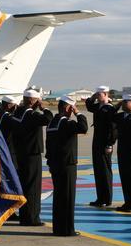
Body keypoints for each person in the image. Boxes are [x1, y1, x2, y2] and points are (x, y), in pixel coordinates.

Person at [46, 96, 88, 236]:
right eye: (72, 108)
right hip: (67, 164)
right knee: (68, 197)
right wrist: (79, 113)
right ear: (68, 108)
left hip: (55, 163)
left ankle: (58, 228)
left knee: (58, 197)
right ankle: (67, 229)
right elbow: (83, 128)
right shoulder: (66, 123)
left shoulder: (52, 122)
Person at [12, 89, 53, 226]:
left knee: (24, 185)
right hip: (32, 154)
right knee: (33, 187)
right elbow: (48, 119)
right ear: (32, 101)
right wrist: (44, 108)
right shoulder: (30, 114)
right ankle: (32, 218)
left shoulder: (18, 112)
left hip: (20, 152)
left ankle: (24, 215)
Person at [85, 86, 117, 208]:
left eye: (100, 94)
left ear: (106, 94)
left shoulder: (110, 108)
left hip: (105, 143)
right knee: (98, 170)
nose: (98, 97)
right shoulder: (99, 106)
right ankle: (100, 197)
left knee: (105, 170)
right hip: (97, 142)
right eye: (97, 94)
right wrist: (92, 97)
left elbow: (113, 128)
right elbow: (89, 106)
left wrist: (110, 144)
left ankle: (107, 199)